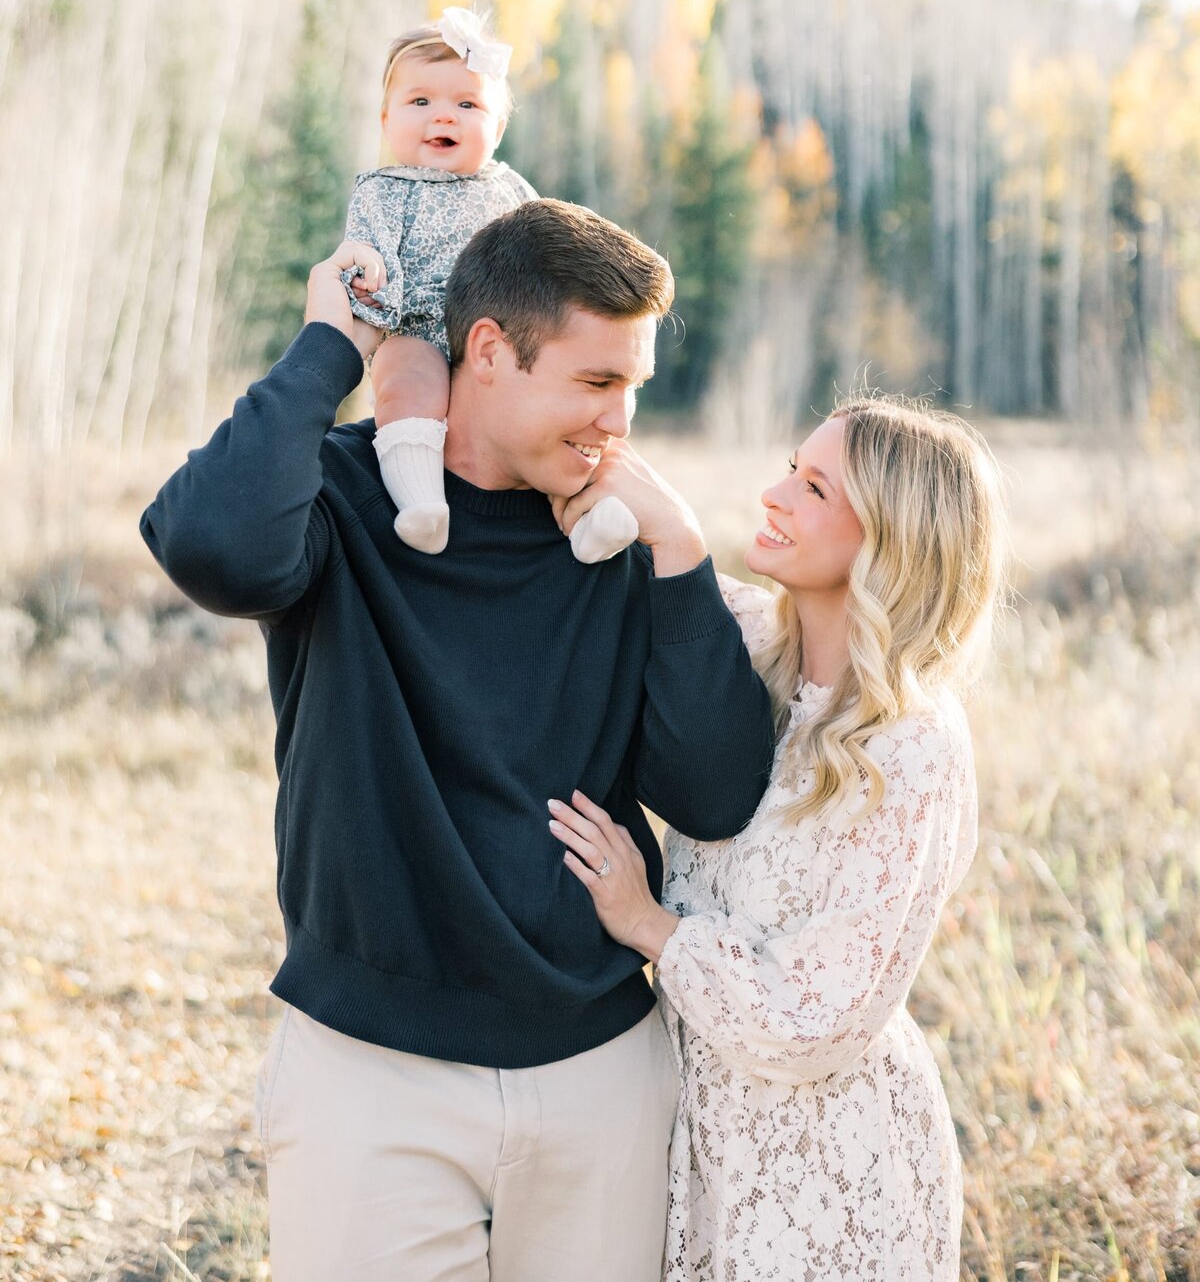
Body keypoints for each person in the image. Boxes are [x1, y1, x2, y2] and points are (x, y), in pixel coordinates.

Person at [139, 196, 776, 1282]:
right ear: (488, 351)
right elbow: (209, 546)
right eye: (596, 381)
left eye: (633, 387)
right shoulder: (338, 500)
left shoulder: (615, 541)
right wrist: (328, 344)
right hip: (369, 1080)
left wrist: (680, 552)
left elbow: (714, 791)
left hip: (600, 1074)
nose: (620, 419)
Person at [550, 394, 1007, 1281]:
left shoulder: (912, 745)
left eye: (813, 488)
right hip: (700, 1146)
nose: (773, 495)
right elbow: (636, 559)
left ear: (892, 539)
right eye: (789, 467)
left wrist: (649, 924)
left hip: (830, 1175)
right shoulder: (751, 642)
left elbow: (817, 1019)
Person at [343, 3, 637, 565]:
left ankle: (595, 512)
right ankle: (420, 499)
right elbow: (369, 254)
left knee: (555, 416)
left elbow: (548, 254)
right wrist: (369, 280)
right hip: (418, 323)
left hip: (509, 333)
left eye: (467, 104)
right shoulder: (381, 190)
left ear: (498, 128)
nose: (443, 117)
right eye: (420, 101)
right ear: (386, 119)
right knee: (406, 384)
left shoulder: (510, 190)